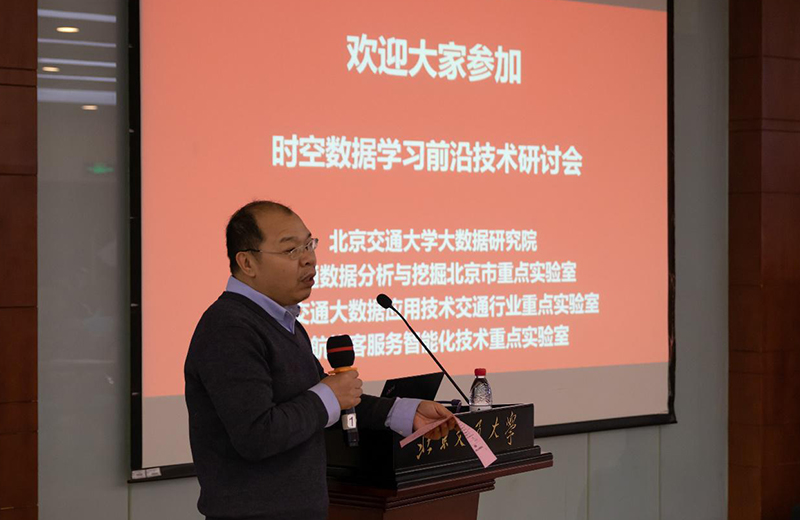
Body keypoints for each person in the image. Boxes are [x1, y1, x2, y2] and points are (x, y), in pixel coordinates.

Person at [184, 200, 455, 520]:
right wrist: (328, 395)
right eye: (290, 250)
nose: (309, 259)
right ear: (247, 262)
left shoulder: (282, 324)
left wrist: (405, 412)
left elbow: (323, 403)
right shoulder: (229, 327)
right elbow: (258, 435)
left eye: (309, 245)